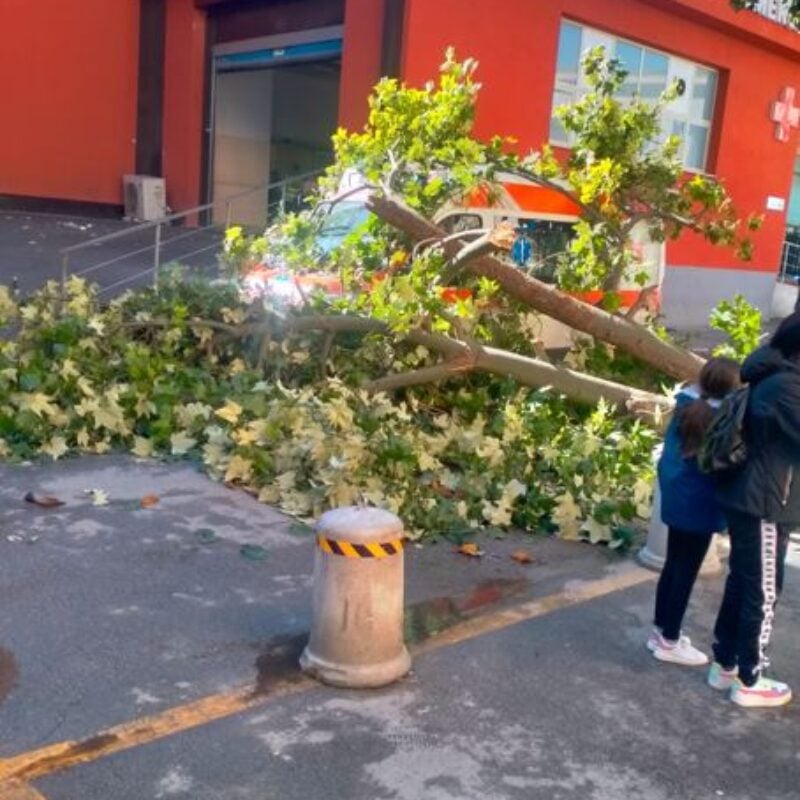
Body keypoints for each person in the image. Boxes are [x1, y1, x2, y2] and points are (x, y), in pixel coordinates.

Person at [708, 312, 800, 707]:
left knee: (743, 582)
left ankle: (725, 663)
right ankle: (750, 678)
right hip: (763, 502)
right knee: (763, 591)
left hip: (751, 496)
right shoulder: (787, 386)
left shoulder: (772, 376)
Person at [648, 357, 741, 666]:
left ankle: (660, 630)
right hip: (701, 507)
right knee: (686, 572)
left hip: (677, 499)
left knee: (673, 565)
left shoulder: (686, 405)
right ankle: (670, 640)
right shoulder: (723, 418)